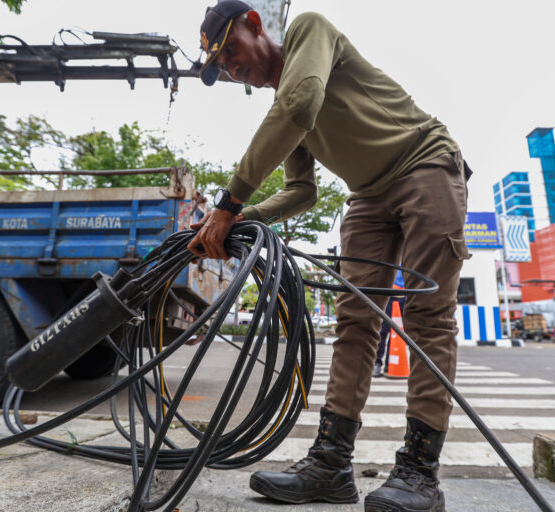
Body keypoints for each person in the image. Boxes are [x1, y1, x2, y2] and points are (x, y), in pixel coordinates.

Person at [190, 3, 470, 511]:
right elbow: (301, 192)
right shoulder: (284, 100)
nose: (233, 69)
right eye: (223, 68)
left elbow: (300, 104)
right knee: (355, 321)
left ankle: (420, 474)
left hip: (424, 163)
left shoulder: (307, 31)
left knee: (428, 317)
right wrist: (240, 219)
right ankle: (330, 465)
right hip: (366, 195)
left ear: (256, 24)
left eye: (231, 51)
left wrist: (228, 205)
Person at [374, 271, 406, 378]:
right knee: (383, 331)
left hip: (404, 295)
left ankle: (390, 364)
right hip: (389, 294)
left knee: (396, 334)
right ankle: (377, 363)